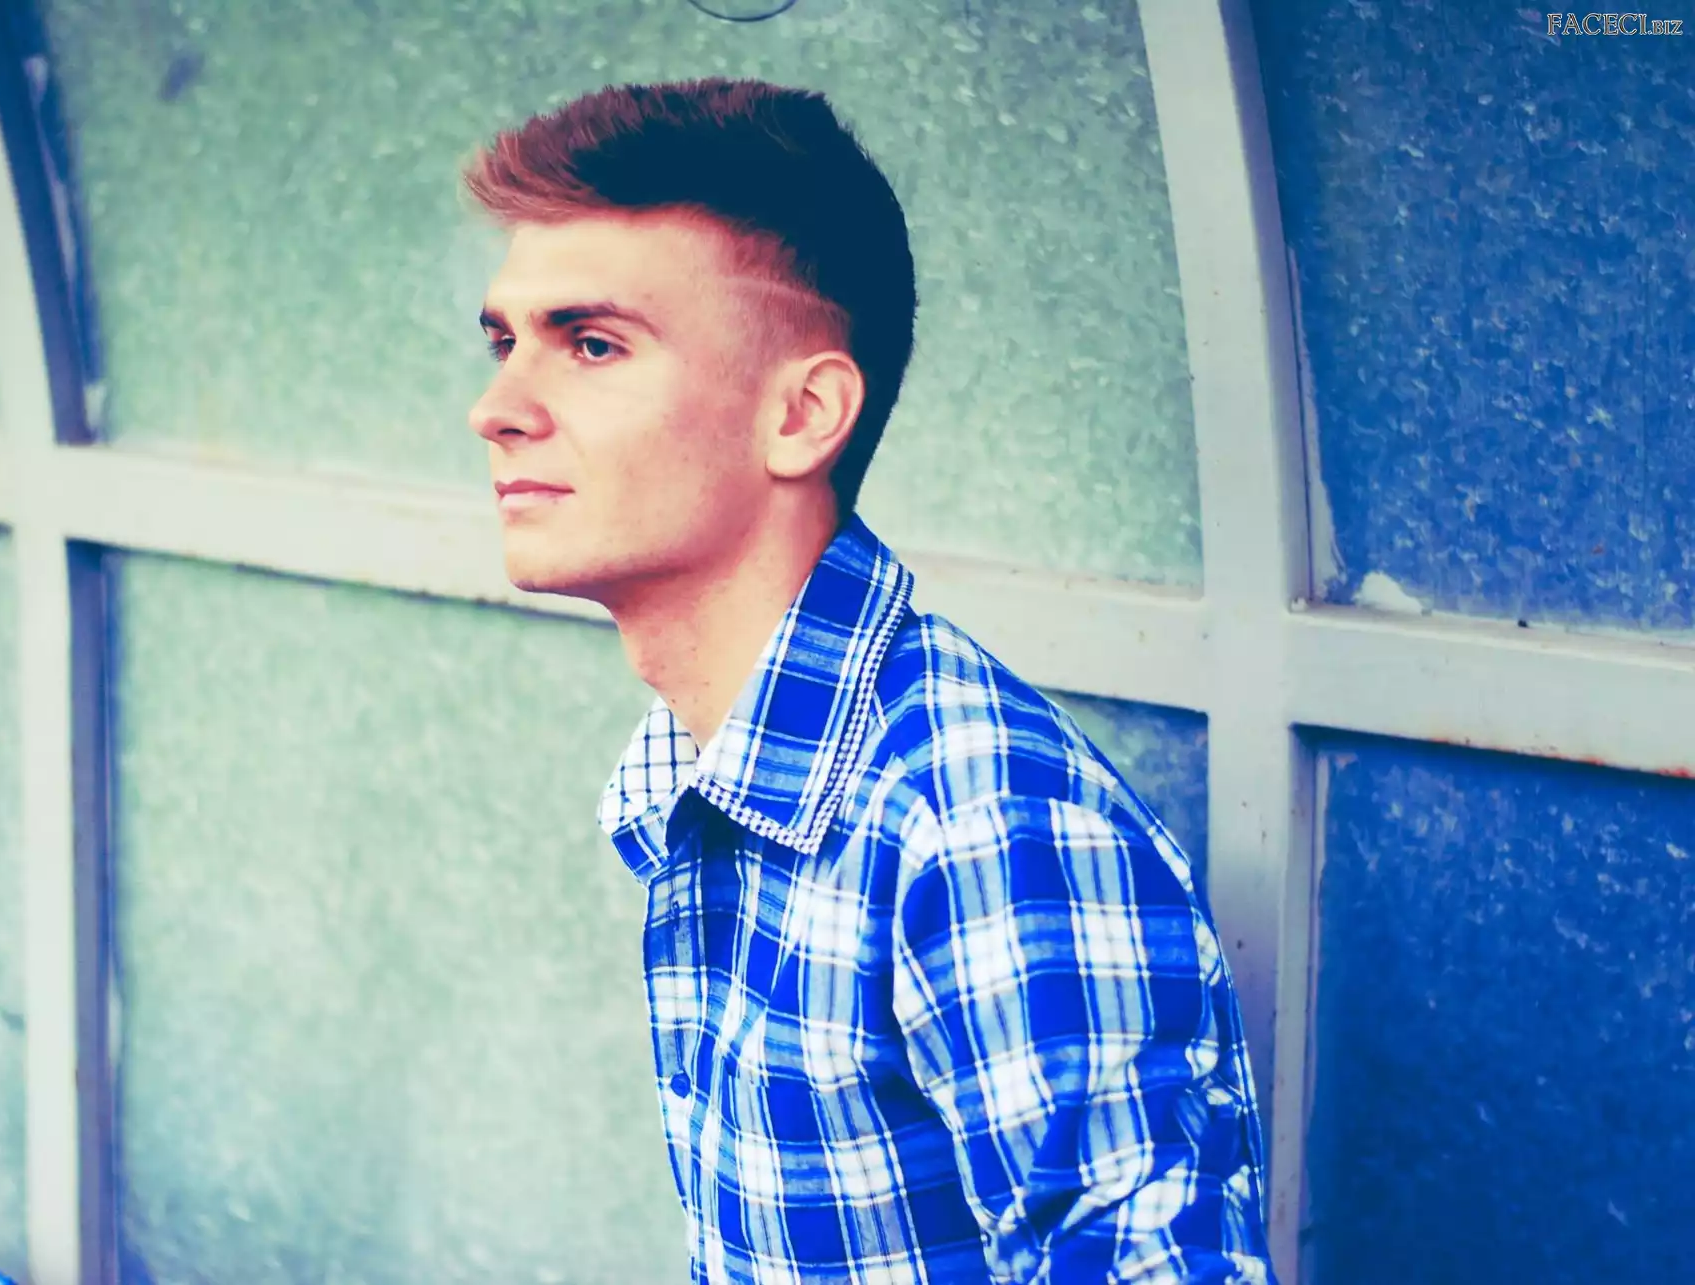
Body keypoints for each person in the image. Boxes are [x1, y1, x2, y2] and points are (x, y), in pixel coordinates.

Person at [463, 77, 1277, 1285]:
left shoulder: (978, 818)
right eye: (504, 343)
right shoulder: (732, 764)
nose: (495, 409)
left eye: (591, 345)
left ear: (802, 416)